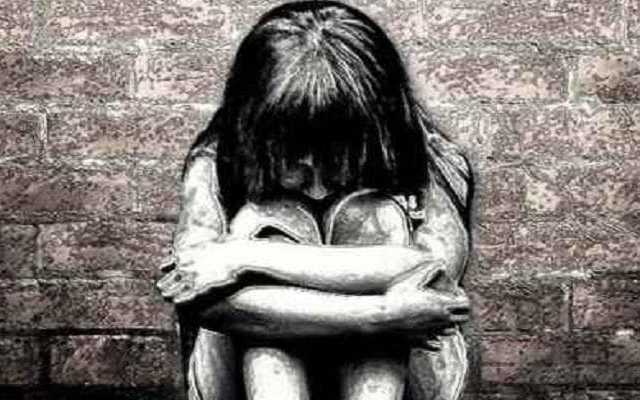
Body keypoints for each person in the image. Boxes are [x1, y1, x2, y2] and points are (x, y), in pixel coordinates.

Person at [157, 1, 474, 399]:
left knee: (374, 215)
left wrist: (243, 257)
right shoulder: (217, 158)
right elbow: (201, 298)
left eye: (337, 162)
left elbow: (431, 274)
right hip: (246, 379)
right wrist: (381, 316)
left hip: (402, 376)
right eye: (298, 165)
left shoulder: (425, 157)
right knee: (264, 219)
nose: (319, 188)